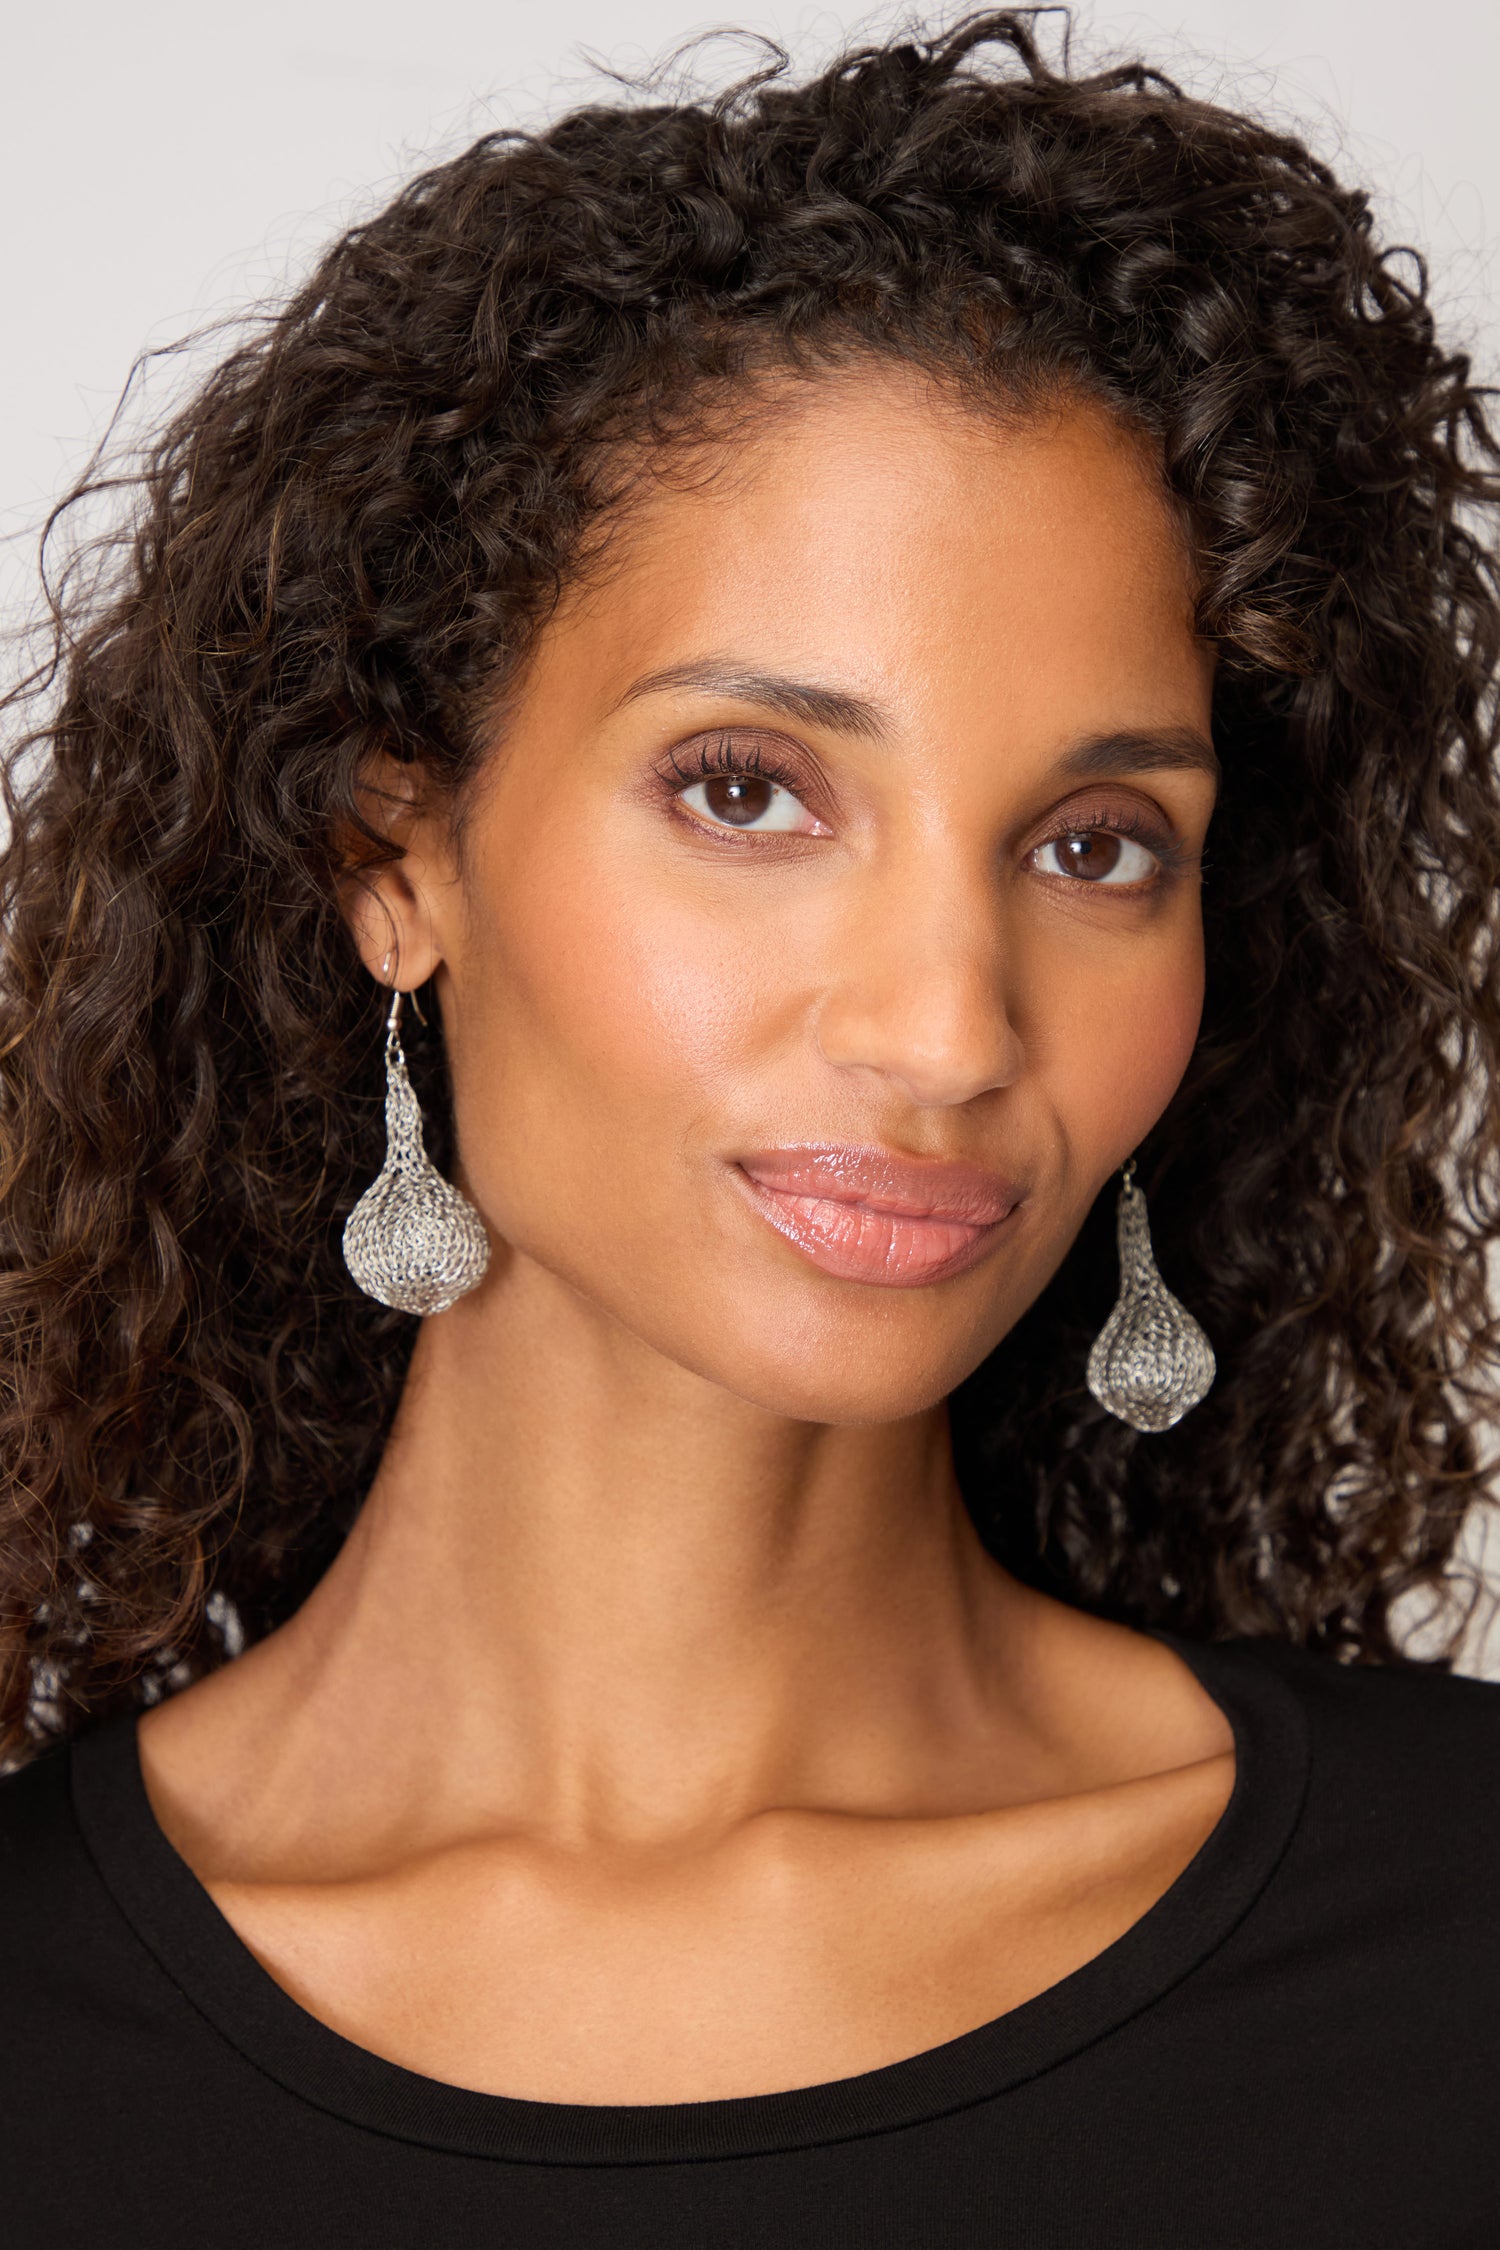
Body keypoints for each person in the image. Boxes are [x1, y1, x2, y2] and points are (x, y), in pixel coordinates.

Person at [2, 12, 1498, 2243]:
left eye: (1098, 843)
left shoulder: (1457, 1946)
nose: (946, 1026)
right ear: (395, 858)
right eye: (748, 790)